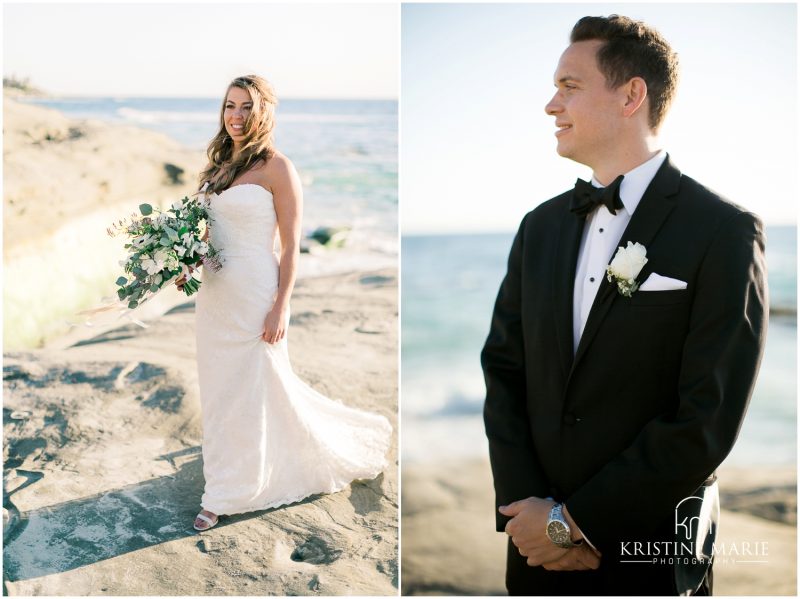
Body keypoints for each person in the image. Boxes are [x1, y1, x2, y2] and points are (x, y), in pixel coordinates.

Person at [481, 15, 767, 596]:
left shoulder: (723, 231)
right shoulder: (538, 228)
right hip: (534, 552)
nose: (550, 105)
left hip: (649, 553)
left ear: (631, 94)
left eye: (569, 86)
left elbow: (707, 415)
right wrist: (531, 517)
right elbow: (504, 372)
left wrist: (578, 524)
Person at [177, 74, 392, 532]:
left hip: (257, 292)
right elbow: (209, 235)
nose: (236, 116)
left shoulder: (279, 168)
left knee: (256, 388)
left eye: (246, 108)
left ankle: (225, 494)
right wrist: (185, 265)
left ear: (264, 113)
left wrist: (281, 306)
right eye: (230, 106)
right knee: (219, 393)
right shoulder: (217, 168)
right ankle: (227, 474)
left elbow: (291, 246)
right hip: (216, 297)